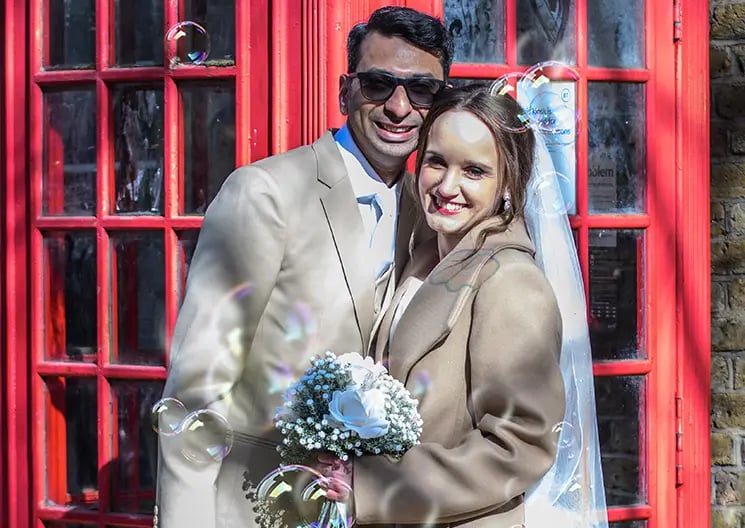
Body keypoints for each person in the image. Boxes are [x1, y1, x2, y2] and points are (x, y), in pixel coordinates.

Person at [155, 7, 453, 528]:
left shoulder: (431, 214)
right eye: (379, 84)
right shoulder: (265, 193)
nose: (400, 107)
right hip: (256, 506)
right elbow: (196, 389)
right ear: (345, 92)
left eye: (422, 91)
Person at [320, 85, 570, 527]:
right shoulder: (423, 259)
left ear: (507, 183)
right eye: (436, 161)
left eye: (474, 171)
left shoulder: (511, 281)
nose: (447, 186)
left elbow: (520, 446)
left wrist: (374, 484)